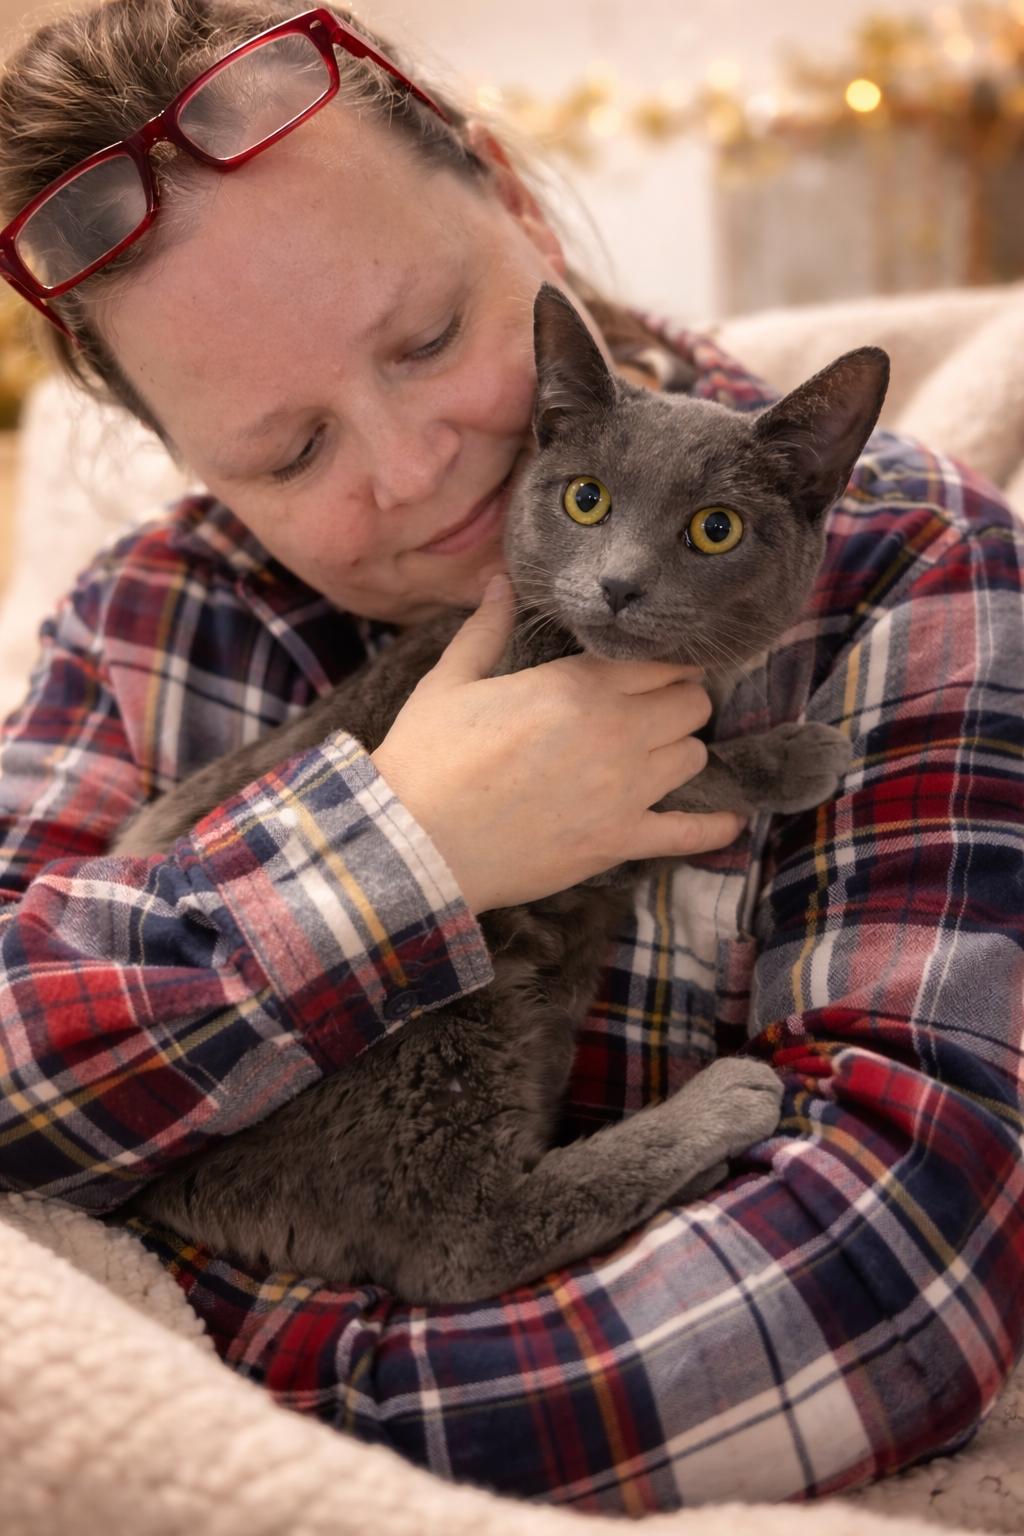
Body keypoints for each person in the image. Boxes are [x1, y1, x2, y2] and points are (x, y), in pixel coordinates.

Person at [0, 0, 1021, 1514]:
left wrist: (243, 1430)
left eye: (429, 338)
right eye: (289, 454)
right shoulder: (162, 617)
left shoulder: (901, 564)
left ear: (521, 206)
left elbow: (897, 1265)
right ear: (188, 465)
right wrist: (391, 854)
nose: (418, 471)